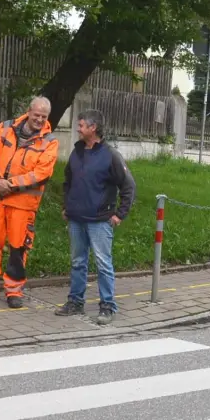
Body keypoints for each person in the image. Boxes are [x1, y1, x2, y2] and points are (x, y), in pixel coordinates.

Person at [0, 96, 59, 309]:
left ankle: (13, 292)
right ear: (28, 111)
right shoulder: (5, 128)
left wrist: (11, 184)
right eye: (36, 115)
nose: (39, 120)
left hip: (23, 204)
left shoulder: (50, 141)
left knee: (18, 248)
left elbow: (42, 172)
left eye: (43, 117)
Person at [57, 109, 136, 325]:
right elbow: (68, 181)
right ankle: (75, 302)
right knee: (77, 262)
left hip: (100, 221)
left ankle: (108, 306)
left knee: (103, 263)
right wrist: (67, 206)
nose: (78, 128)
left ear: (93, 128)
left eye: (81, 125)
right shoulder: (76, 152)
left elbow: (128, 186)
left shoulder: (111, 155)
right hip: (76, 219)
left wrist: (120, 214)